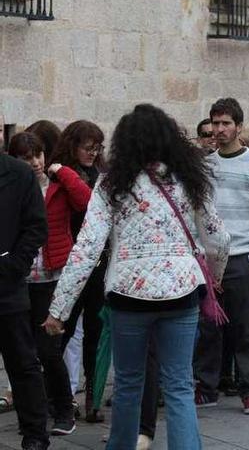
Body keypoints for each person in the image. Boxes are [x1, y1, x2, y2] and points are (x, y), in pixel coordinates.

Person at [43, 104, 230, 449]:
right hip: (183, 291)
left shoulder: (110, 185)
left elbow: (86, 249)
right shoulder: (188, 180)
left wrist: (59, 310)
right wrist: (215, 276)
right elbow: (218, 237)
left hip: (128, 296)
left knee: (128, 383)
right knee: (178, 385)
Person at [8, 133, 91, 436]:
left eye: (38, 155)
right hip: (21, 279)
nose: (35, 163)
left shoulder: (56, 186)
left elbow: (85, 201)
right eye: (26, 157)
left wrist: (62, 170)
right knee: (23, 352)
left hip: (52, 278)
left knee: (49, 349)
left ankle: (64, 408)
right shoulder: (13, 188)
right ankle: (34, 413)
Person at [194, 97, 249, 414]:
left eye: (226, 123)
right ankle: (207, 386)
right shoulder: (205, 165)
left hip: (241, 256)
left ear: (239, 127)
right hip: (211, 256)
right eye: (216, 123)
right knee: (209, 325)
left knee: (244, 327)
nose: (220, 129)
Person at [50, 119, 107, 423]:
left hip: (98, 265)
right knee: (63, 330)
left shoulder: (100, 174)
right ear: (73, 145)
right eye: (88, 147)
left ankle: (93, 400)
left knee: (95, 335)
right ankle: (59, 398)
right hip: (69, 265)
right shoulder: (59, 174)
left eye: (97, 148)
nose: (93, 153)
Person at [0, 140, 50, 450]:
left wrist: (13, 264)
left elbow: (36, 227)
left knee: (22, 363)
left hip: (6, 286)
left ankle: (35, 435)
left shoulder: (19, 174)